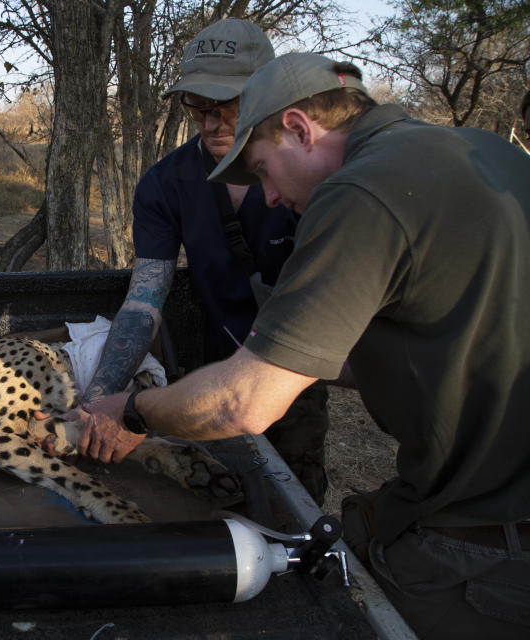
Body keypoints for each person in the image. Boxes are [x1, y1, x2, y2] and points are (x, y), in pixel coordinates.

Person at [78, 52, 530, 639]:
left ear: (298, 128)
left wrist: (134, 411)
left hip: (485, 544)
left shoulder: (360, 191)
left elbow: (243, 404)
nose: (267, 196)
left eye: (262, 169)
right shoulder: (489, 153)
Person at [81, 18, 330, 504]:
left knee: (293, 499)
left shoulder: (313, 174)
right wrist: (98, 402)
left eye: (232, 105)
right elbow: (144, 300)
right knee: (213, 497)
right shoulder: (165, 182)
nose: (215, 121)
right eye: (199, 105)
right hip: (212, 369)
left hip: (294, 368)